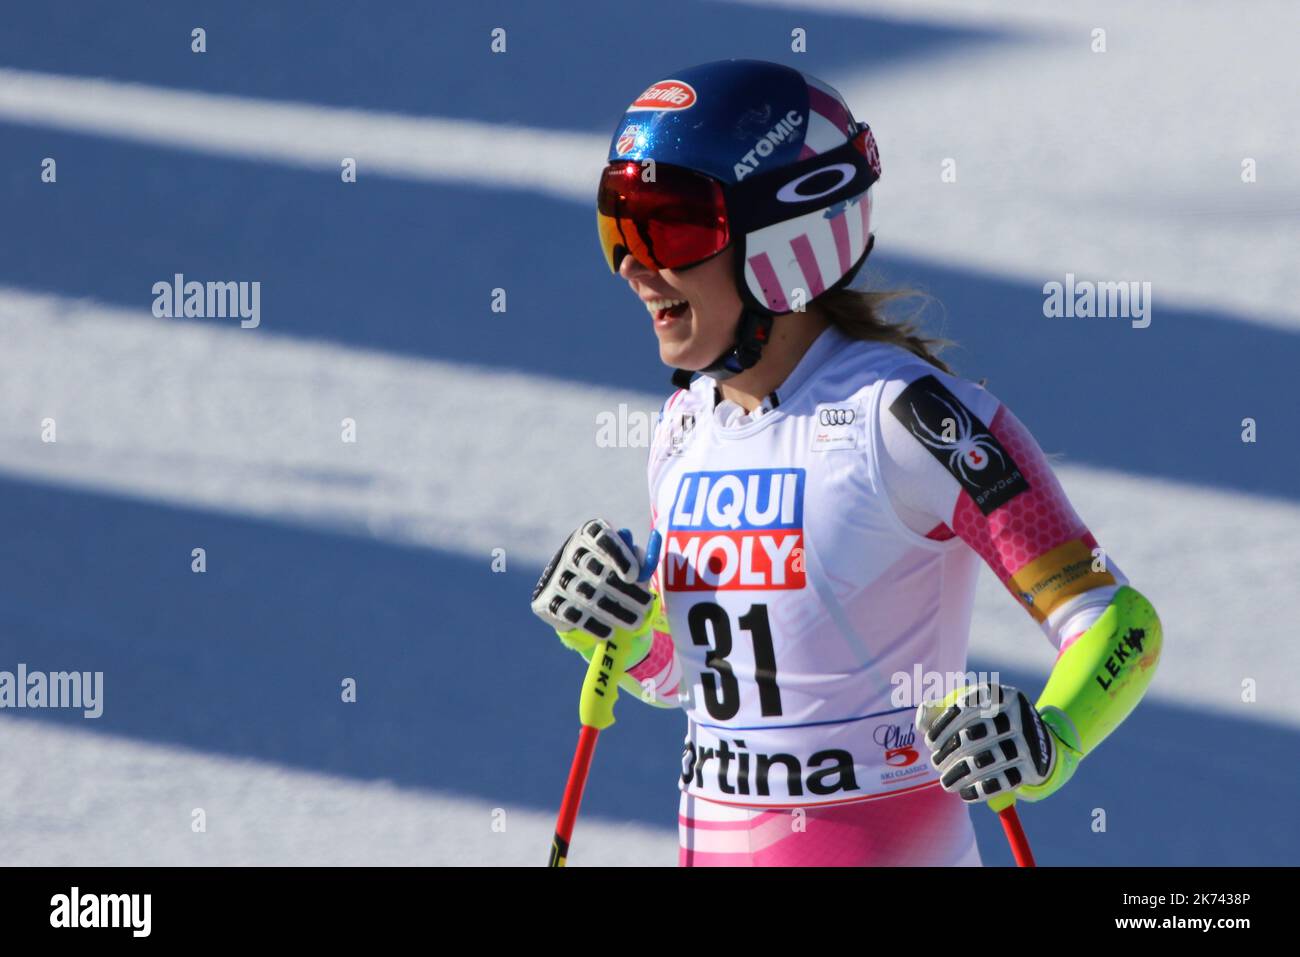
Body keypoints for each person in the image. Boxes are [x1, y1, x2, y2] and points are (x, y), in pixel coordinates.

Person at [530, 59, 1163, 866]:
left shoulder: (907, 418)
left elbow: (1120, 624)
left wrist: (1051, 737)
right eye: (618, 223)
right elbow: (690, 681)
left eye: (672, 229)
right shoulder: (687, 426)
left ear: (782, 238)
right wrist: (611, 626)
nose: (632, 264)